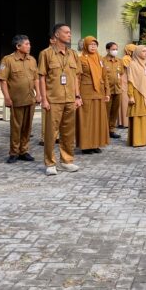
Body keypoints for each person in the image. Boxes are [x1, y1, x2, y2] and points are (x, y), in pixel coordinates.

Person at [38, 24, 82, 176]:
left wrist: (77, 96)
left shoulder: (73, 54)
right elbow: (42, 77)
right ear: (56, 35)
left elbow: (77, 77)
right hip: (53, 99)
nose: (70, 35)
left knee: (68, 132)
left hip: (70, 99)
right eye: (66, 32)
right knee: (51, 133)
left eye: (70, 32)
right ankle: (50, 163)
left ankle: (67, 161)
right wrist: (44, 99)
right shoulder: (46, 54)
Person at [0, 35, 40, 164]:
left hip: (30, 99)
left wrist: (38, 94)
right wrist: (7, 98)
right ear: (18, 46)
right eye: (26, 44)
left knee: (27, 127)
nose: (29, 46)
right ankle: (14, 152)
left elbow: (36, 78)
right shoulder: (8, 60)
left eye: (29, 44)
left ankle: (24, 151)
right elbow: (3, 80)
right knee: (16, 127)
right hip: (16, 100)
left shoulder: (32, 60)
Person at [75, 36, 110, 155]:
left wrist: (107, 92)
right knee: (86, 120)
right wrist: (77, 95)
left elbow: (105, 77)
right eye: (91, 44)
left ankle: (95, 144)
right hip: (86, 92)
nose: (93, 46)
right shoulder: (81, 59)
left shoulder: (100, 59)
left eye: (95, 44)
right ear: (85, 46)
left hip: (99, 93)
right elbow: (77, 78)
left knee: (98, 119)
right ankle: (86, 146)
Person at [127, 45, 146, 147]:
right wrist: (130, 96)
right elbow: (130, 81)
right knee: (138, 116)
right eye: (143, 51)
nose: (145, 53)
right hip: (137, 94)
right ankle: (138, 140)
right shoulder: (133, 64)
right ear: (138, 52)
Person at [103, 42, 123, 139]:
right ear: (107, 50)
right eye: (113, 49)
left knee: (115, 111)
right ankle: (104, 130)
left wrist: (121, 86)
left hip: (117, 90)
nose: (115, 51)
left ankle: (112, 130)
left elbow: (121, 74)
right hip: (107, 91)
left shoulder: (119, 61)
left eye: (116, 49)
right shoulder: (102, 61)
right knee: (106, 111)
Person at [119, 44, 137, 129]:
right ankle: (123, 122)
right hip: (124, 81)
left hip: (129, 81)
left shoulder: (132, 59)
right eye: (133, 50)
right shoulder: (125, 58)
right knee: (124, 102)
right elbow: (130, 69)